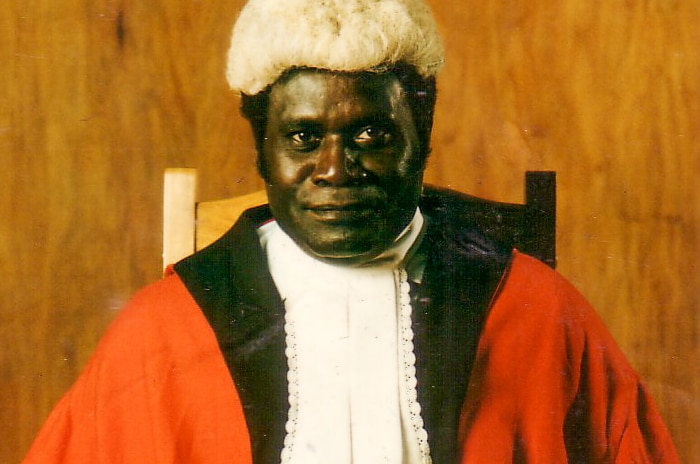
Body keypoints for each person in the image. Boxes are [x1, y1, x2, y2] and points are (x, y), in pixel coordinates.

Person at [24, 0, 679, 462]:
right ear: (263, 149)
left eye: (371, 134)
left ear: (420, 135)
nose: (337, 170)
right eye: (304, 138)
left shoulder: (535, 309)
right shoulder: (162, 329)